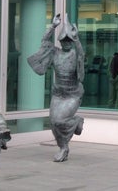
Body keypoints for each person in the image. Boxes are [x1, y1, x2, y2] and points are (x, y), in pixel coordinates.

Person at [28, 13, 85, 162]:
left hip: (73, 93)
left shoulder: (75, 53)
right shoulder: (54, 52)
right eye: (63, 40)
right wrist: (53, 26)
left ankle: (76, 121)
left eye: (69, 40)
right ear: (60, 41)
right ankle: (63, 147)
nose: (66, 43)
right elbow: (44, 42)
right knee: (53, 122)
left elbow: (81, 55)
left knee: (60, 121)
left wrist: (77, 38)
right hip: (58, 93)